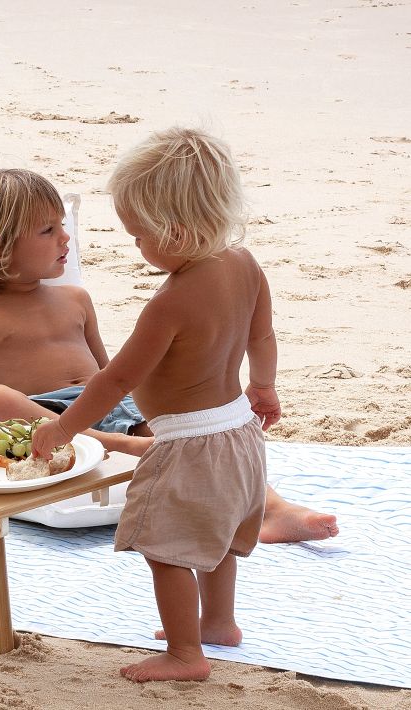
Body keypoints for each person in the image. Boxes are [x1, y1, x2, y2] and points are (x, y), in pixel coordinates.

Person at [0, 166, 338, 547]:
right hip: (44, 415)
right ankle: (114, 444)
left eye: (63, 225)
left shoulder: (75, 299)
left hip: (105, 402)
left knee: (190, 429)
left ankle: (272, 507)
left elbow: (110, 374)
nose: (66, 238)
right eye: (48, 230)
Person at [30, 127, 285, 681]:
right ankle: (218, 623)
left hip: (189, 444)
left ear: (175, 229)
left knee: (167, 549)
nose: (137, 248)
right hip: (240, 429)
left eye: (139, 236)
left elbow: (115, 379)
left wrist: (64, 428)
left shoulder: (171, 303)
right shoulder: (243, 261)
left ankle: (186, 655)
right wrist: (263, 385)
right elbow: (262, 336)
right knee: (216, 537)